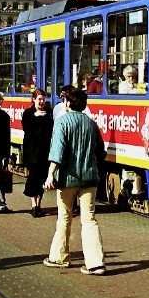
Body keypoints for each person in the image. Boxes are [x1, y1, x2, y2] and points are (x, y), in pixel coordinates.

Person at [43, 88, 107, 275]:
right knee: (90, 219)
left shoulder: (62, 122)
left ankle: (59, 257)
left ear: (68, 103)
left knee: (64, 218)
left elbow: (57, 152)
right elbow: (100, 151)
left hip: (67, 180)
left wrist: (50, 175)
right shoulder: (91, 124)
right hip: (89, 179)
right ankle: (96, 264)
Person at [21, 89, 53, 217]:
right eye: (39, 99)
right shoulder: (28, 113)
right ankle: (33, 205)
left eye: (43, 99)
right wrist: (36, 116)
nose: (42, 102)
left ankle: (38, 204)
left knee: (42, 179)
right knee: (33, 177)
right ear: (34, 99)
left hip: (45, 151)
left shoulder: (49, 112)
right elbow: (26, 128)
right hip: (31, 152)